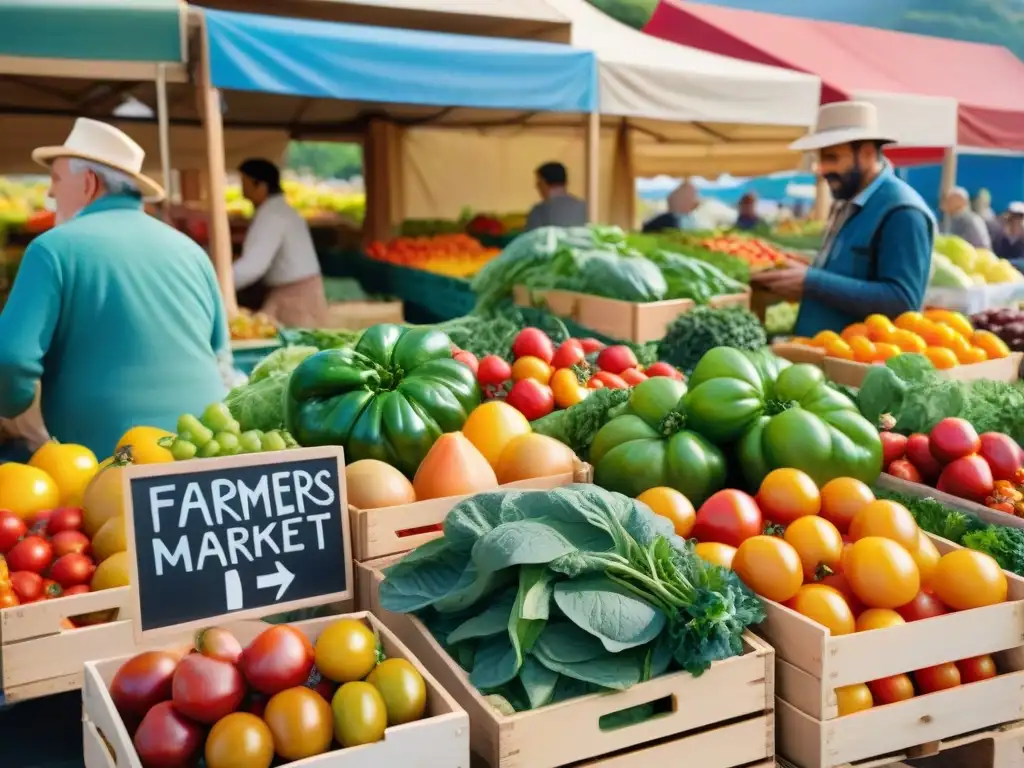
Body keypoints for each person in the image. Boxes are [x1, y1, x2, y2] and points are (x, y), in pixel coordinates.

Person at [0, 118, 228, 457]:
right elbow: (220, 352)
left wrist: (12, 406)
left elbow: (10, 357)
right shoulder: (191, 251)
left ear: (89, 183)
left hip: (104, 460)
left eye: (56, 179)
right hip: (199, 452)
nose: (50, 192)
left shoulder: (52, 249)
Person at [752, 102, 935, 338]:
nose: (821, 169)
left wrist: (812, 282)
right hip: (822, 354)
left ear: (867, 154)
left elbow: (901, 301)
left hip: (857, 365)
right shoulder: (849, 202)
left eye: (831, 158)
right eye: (820, 159)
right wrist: (798, 279)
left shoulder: (903, 212)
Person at [233, 158, 326, 327]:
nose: (242, 189)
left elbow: (252, 266)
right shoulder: (278, 210)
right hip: (298, 292)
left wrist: (217, 284)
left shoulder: (271, 216)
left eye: (244, 183)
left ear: (260, 186)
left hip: (294, 297)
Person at [524, 162, 588, 231]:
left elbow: (529, 238)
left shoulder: (539, 211)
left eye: (538, 182)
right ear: (566, 182)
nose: (536, 186)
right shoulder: (585, 207)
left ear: (543, 183)